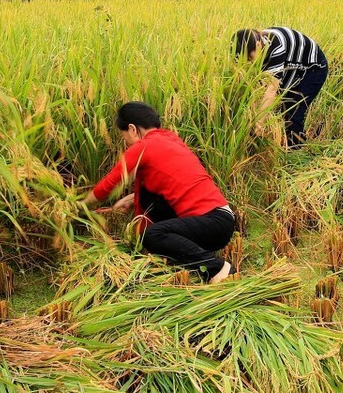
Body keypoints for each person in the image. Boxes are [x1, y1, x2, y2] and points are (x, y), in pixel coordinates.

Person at [85, 102, 236, 283]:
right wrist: (135, 198)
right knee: (150, 204)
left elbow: (107, 186)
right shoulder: (171, 139)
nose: (125, 142)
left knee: (152, 235)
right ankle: (173, 258)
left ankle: (218, 269)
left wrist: (80, 206)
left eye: (124, 136)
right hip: (221, 219)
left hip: (212, 222)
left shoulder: (143, 146)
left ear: (132, 129)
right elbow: (173, 182)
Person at [233, 26, 328, 148]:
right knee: (283, 106)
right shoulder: (261, 45)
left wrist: (259, 122)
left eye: (250, 57)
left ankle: (296, 152)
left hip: (313, 69)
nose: (250, 62)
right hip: (293, 68)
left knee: (294, 109)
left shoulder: (276, 48)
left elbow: (272, 89)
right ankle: (292, 141)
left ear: (257, 44)